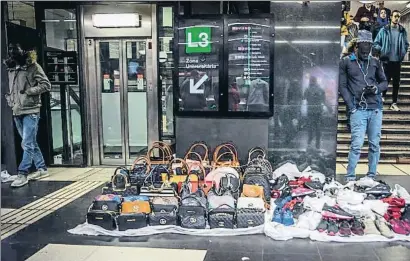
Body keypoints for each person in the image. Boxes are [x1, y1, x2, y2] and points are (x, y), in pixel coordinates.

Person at [339, 30, 388, 181]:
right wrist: (351, 106)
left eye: (369, 48)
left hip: (375, 109)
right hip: (358, 108)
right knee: (356, 144)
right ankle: (350, 176)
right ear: (357, 46)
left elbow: (384, 82)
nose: (366, 51)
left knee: (374, 144)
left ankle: (371, 174)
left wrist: (376, 89)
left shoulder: (375, 62)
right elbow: (342, 86)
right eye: (363, 48)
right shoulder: (346, 62)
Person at [4, 43, 51, 187]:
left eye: (15, 50)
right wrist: (10, 99)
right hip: (17, 109)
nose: (12, 53)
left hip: (31, 110)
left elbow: (46, 85)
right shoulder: (11, 68)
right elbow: (12, 88)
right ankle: (42, 168)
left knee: (27, 143)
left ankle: (22, 173)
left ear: (22, 51)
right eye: (10, 50)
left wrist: (29, 91)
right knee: (30, 142)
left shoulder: (33, 66)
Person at [374, 10, 409, 111]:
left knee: (396, 83)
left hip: (397, 61)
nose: (397, 18)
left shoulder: (402, 30)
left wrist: (403, 52)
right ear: (391, 17)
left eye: (398, 16)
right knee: (385, 80)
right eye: (395, 16)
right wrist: (382, 50)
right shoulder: (384, 30)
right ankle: (381, 98)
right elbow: (376, 43)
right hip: (386, 60)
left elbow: (406, 44)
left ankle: (394, 103)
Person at [303, 76, 326, 149]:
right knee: (318, 126)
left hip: (310, 110)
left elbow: (304, 97)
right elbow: (323, 100)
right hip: (318, 110)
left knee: (310, 126)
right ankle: (318, 142)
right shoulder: (321, 89)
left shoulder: (308, 89)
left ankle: (310, 140)